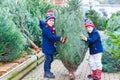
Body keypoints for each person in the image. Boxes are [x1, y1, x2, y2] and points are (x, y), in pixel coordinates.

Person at [39, 9, 67, 79]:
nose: (52, 22)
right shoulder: (46, 29)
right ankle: (46, 72)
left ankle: (48, 70)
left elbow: (52, 34)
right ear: (47, 21)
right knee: (48, 59)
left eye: (53, 21)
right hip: (47, 48)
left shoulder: (50, 28)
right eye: (50, 20)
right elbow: (51, 37)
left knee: (51, 59)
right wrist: (60, 38)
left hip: (50, 47)